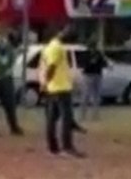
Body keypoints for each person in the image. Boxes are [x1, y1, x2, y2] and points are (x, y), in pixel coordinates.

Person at [42, 24, 83, 158]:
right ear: (60, 31)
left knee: (52, 119)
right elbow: (51, 67)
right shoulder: (56, 47)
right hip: (60, 88)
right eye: (67, 31)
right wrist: (46, 82)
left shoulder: (49, 47)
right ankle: (67, 147)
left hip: (54, 88)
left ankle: (53, 147)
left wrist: (46, 83)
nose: (69, 35)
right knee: (66, 118)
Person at [78, 39, 108, 122]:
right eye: (92, 46)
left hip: (97, 75)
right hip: (88, 75)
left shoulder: (99, 54)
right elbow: (82, 64)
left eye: (94, 46)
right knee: (86, 96)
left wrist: (99, 62)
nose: (93, 48)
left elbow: (104, 63)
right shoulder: (85, 54)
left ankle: (95, 116)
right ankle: (82, 115)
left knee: (96, 96)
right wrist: (91, 63)